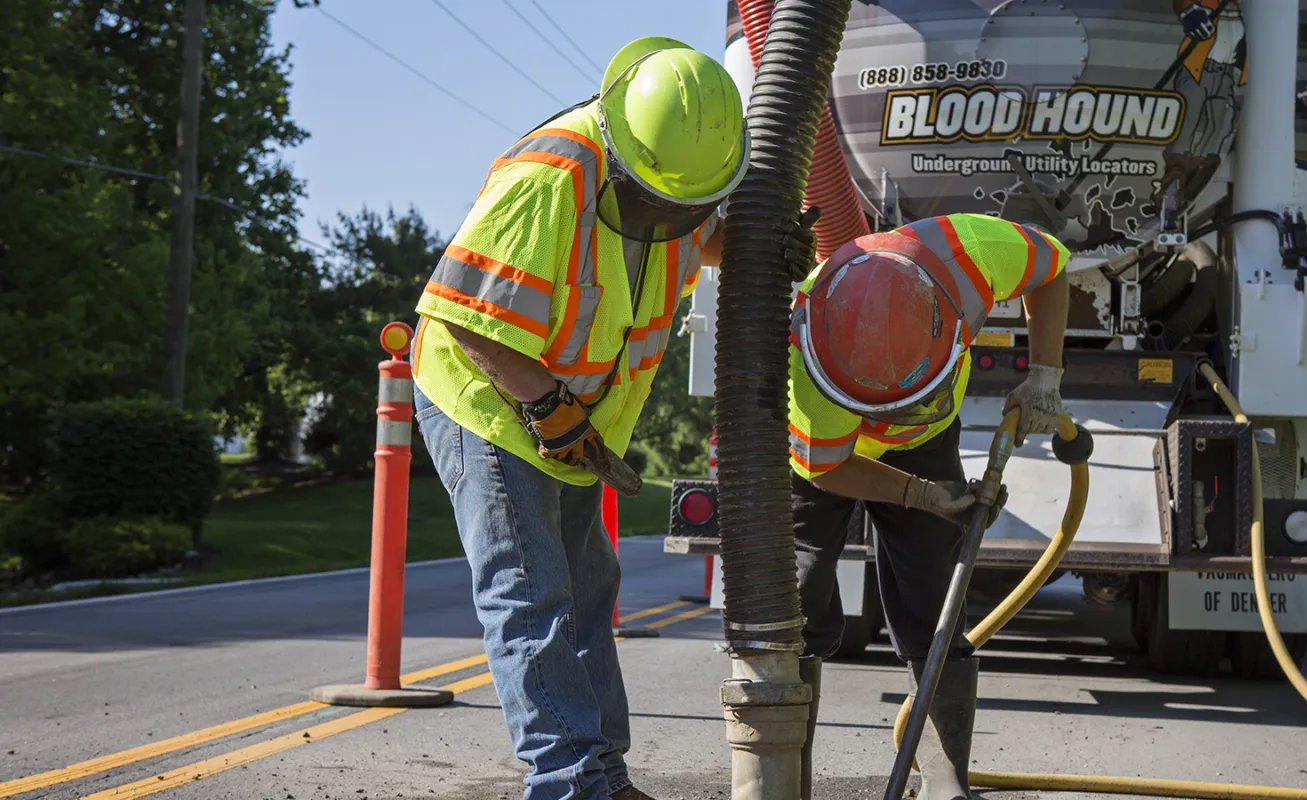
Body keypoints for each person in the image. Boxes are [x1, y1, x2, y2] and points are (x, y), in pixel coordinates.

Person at [409, 36, 750, 800]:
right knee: (531, 595)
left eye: (686, 205)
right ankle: (568, 785)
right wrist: (547, 403)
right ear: (624, 151)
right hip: (492, 399)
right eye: (658, 199)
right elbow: (466, 312)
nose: (670, 216)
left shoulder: (679, 173)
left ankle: (602, 775)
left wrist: (760, 242)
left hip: (570, 418)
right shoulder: (550, 173)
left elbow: (696, 235)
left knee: (590, 592)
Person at [786, 209, 1072, 800]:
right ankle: (782, 779)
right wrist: (918, 495)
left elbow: (1052, 268)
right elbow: (826, 464)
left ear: (951, 324)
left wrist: (1045, 373)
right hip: (827, 457)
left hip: (925, 444)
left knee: (934, 601)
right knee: (795, 600)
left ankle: (944, 780)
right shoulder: (803, 350)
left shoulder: (969, 255)